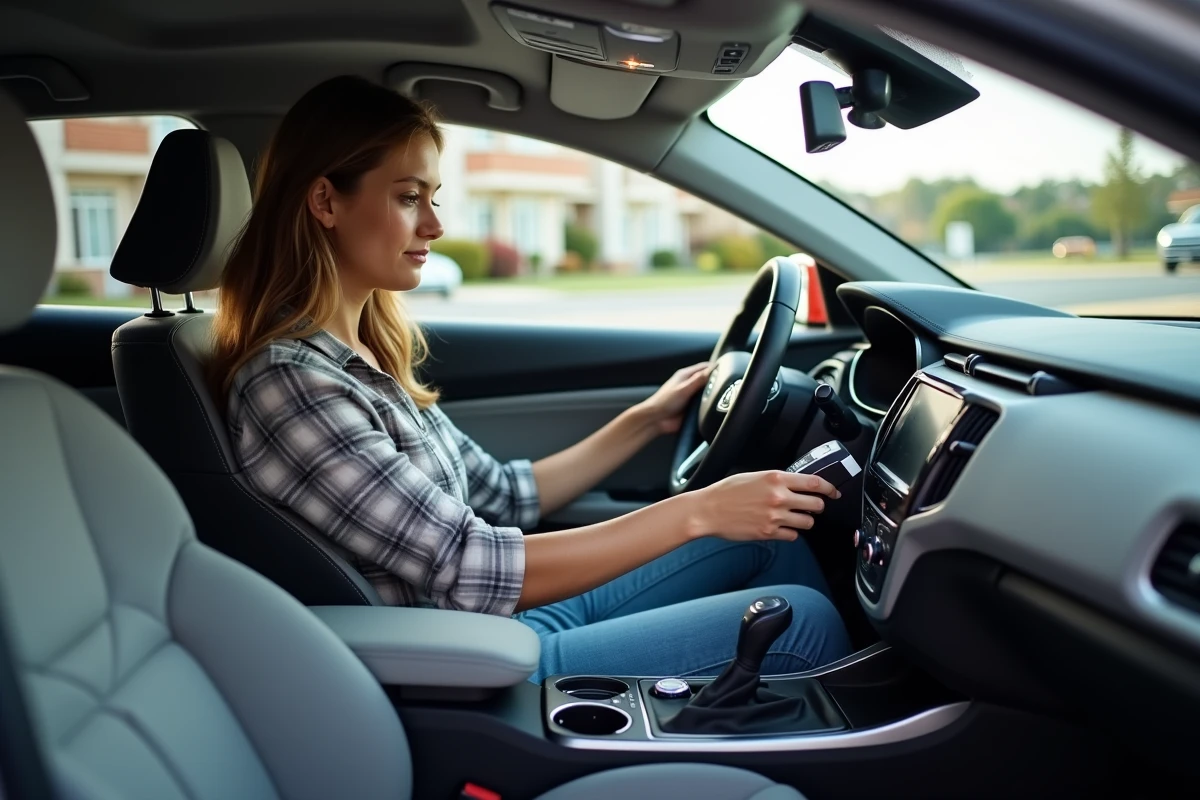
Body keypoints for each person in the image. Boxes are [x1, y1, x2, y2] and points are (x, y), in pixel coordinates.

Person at [209, 75, 851, 681]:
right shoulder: (291, 384)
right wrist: (699, 511)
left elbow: (502, 492)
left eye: (433, 199)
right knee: (805, 620)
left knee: (776, 544)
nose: (434, 225)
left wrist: (645, 420)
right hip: (472, 660)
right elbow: (470, 563)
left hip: (502, 621)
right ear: (325, 200)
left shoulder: (364, 357)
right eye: (408, 198)